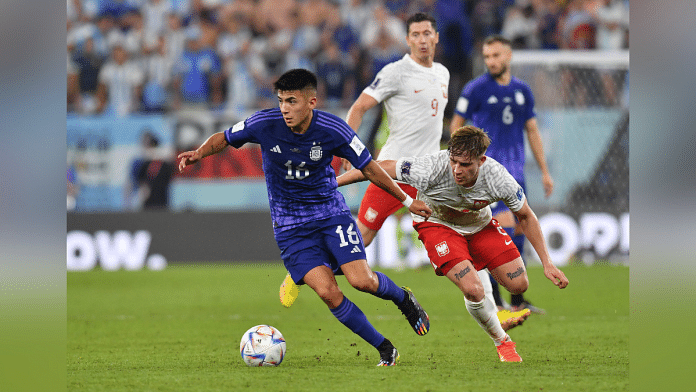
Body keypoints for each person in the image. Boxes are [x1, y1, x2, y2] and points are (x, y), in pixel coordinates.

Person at [278, 13, 529, 331]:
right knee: (360, 241)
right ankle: (300, 268)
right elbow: (358, 107)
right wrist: (347, 148)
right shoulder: (396, 72)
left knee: (470, 229)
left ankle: (497, 311)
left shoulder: (442, 72)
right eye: (416, 34)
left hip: (433, 175)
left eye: (427, 33)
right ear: (408, 39)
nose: (422, 39)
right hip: (393, 172)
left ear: (436, 38)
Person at [177, 69, 432, 366]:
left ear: (311, 102)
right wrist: (200, 153)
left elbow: (370, 168)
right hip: (290, 227)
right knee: (328, 292)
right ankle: (385, 348)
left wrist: (407, 200)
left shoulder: (334, 129)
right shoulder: (264, 123)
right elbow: (224, 137)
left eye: (292, 101)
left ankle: (404, 299)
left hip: (331, 215)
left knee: (361, 281)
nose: (285, 108)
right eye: (282, 100)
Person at [336, 125, 569, 362]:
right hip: (437, 225)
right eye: (454, 161)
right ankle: (503, 342)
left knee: (519, 285)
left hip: (479, 227)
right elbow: (377, 168)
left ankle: (478, 266)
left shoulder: (499, 178)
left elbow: (526, 216)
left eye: (465, 165)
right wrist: (334, 183)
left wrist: (547, 263)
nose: (457, 169)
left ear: (481, 160)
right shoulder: (431, 167)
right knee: (473, 289)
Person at [450, 35, 554, 316]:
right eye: (486, 57)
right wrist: (460, 161)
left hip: (516, 173)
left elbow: (532, 130)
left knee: (520, 230)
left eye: (495, 55)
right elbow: (456, 125)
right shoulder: (475, 89)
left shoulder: (523, 91)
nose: (491, 61)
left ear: (508, 56)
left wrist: (544, 171)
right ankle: (496, 302)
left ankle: (517, 300)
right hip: (486, 175)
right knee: (499, 229)